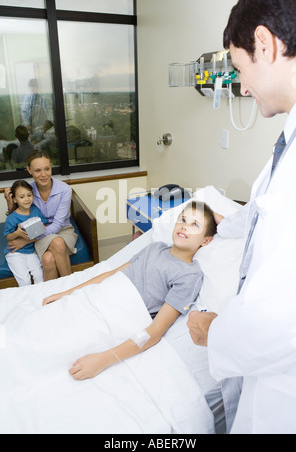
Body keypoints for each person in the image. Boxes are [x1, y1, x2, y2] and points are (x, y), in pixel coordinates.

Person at [187, 0, 296, 434]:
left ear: (265, 44)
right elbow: (255, 217)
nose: (239, 84)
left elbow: (283, 320)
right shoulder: (287, 147)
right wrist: (213, 228)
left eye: (237, 67)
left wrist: (214, 332)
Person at [42, 201, 217, 381]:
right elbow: (111, 274)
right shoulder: (154, 248)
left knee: (50, 347)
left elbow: (156, 331)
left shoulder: (189, 275)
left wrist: (103, 360)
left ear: (206, 240)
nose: (184, 226)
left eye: (195, 225)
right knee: (44, 324)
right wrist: (67, 293)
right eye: (183, 219)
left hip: (114, 316)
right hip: (94, 299)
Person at [4, 151, 78, 281]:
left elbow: (57, 225)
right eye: (37, 170)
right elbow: (17, 217)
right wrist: (9, 202)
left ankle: (69, 288)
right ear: (29, 170)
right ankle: (51, 297)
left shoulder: (64, 190)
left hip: (63, 230)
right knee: (48, 258)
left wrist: (26, 240)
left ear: (51, 167)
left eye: (47, 169)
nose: (43, 175)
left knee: (57, 243)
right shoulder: (28, 191)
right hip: (37, 232)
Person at [4, 180, 47, 287]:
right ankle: (27, 301)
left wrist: (38, 230)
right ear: (14, 199)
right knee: (24, 280)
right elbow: (8, 236)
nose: (27, 199)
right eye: (22, 197)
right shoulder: (12, 217)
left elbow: (44, 226)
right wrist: (17, 233)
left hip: (31, 251)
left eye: (29, 195)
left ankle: (40, 298)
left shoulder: (35, 211)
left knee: (39, 276)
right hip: (15, 253)